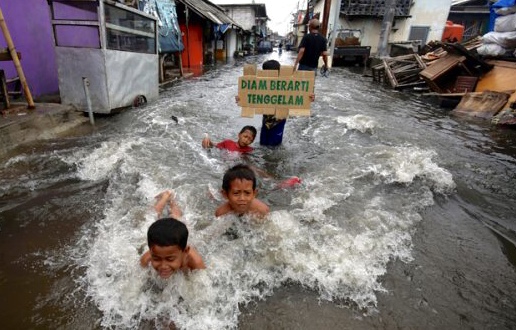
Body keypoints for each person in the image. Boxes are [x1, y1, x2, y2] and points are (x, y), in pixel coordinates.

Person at [140, 217, 205, 278]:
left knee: (178, 217)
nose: (163, 266)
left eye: (170, 259)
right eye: (156, 259)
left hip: (183, 242)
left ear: (185, 251)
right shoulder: (146, 260)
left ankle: (174, 205)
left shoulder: (196, 264)